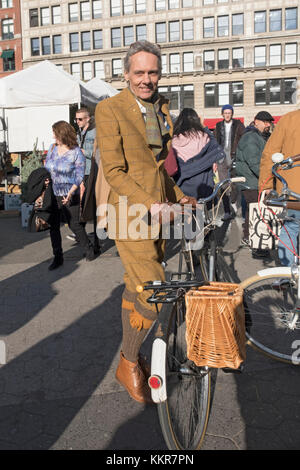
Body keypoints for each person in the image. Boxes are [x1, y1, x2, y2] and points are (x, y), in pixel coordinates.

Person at [95, 40, 195, 404]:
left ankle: (132, 356)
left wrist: (179, 196)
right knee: (155, 291)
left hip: (158, 211)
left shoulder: (159, 108)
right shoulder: (110, 109)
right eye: (139, 72)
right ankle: (127, 362)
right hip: (131, 212)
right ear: (126, 74)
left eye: (152, 72)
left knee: (136, 287)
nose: (146, 79)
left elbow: (155, 169)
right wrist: (152, 203)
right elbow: (116, 171)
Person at [45, 120, 97, 270]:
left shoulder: (76, 152)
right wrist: (47, 179)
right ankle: (58, 257)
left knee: (74, 225)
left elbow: (79, 175)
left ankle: (89, 249)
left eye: (55, 133)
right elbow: (47, 166)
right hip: (52, 193)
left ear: (62, 133)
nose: (53, 136)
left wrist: (71, 192)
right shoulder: (52, 148)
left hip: (69, 193)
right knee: (53, 226)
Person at [259, 109, 300, 266]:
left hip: (292, 190)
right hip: (292, 190)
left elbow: (270, 153)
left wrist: (267, 185)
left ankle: (287, 274)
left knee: (290, 229)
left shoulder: (289, 119)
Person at [235, 110, 274, 256]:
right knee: (258, 213)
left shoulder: (262, 136)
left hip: (257, 181)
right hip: (252, 182)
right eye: (265, 122)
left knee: (252, 212)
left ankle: (249, 237)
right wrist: (270, 181)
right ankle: (258, 247)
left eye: (269, 122)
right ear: (256, 121)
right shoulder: (250, 138)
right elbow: (255, 164)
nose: (268, 125)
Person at [166, 107, 225, 200]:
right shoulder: (205, 137)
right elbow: (216, 148)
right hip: (204, 186)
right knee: (202, 213)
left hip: (183, 187)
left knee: (186, 213)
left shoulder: (174, 140)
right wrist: (204, 126)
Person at [214, 104, 245, 221]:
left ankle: (233, 202)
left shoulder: (238, 125)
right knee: (223, 185)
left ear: (232, 114)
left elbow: (244, 137)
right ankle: (227, 211)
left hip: (234, 157)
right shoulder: (218, 126)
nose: (227, 115)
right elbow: (215, 143)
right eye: (225, 113)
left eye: (229, 113)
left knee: (235, 183)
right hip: (221, 158)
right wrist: (214, 160)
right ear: (222, 114)